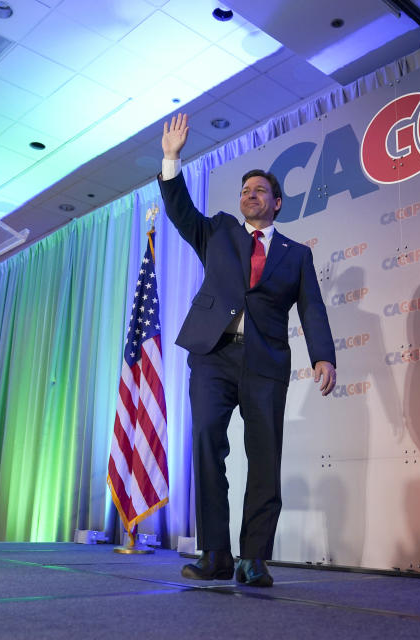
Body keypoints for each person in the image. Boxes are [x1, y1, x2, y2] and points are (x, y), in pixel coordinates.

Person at [159, 113, 337, 587]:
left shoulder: (296, 255)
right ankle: (215, 552)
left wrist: (324, 355)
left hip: (265, 363)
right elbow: (179, 210)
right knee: (206, 444)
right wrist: (171, 159)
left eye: (260, 190)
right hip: (212, 355)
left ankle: (253, 557)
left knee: (264, 456)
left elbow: (312, 308)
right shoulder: (218, 231)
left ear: (277, 203)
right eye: (245, 191)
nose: (250, 195)